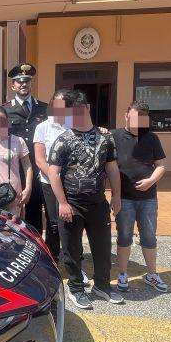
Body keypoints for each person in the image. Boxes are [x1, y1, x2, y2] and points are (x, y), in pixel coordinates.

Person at [48, 90, 122, 310]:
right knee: (71, 250)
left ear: (88, 108)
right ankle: (77, 289)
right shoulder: (63, 139)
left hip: (98, 203)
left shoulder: (106, 138)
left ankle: (102, 286)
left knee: (102, 247)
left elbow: (112, 168)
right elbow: (53, 173)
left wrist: (117, 196)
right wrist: (62, 202)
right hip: (71, 204)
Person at [113, 101, 170, 294]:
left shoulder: (151, 138)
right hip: (125, 198)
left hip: (148, 198)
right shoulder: (114, 136)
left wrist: (150, 181)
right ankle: (122, 274)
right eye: (134, 116)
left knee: (149, 236)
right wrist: (115, 196)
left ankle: (152, 274)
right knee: (124, 236)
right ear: (126, 115)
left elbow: (161, 165)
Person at [3, 63, 47, 233]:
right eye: (19, 81)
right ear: (13, 85)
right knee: (13, 212)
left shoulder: (44, 108)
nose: (23, 84)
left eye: (27, 81)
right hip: (14, 169)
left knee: (36, 211)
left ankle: (36, 247)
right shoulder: (5, 110)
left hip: (38, 168)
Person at [33, 89, 70, 260]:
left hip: (71, 181)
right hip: (49, 182)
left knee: (72, 221)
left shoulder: (75, 123)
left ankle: (73, 258)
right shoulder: (43, 127)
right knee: (54, 222)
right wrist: (55, 178)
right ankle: (53, 257)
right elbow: (40, 160)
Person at [0, 107, 32, 215]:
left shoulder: (18, 141)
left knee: (14, 228)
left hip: (15, 194)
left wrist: (28, 188)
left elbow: (27, 166)